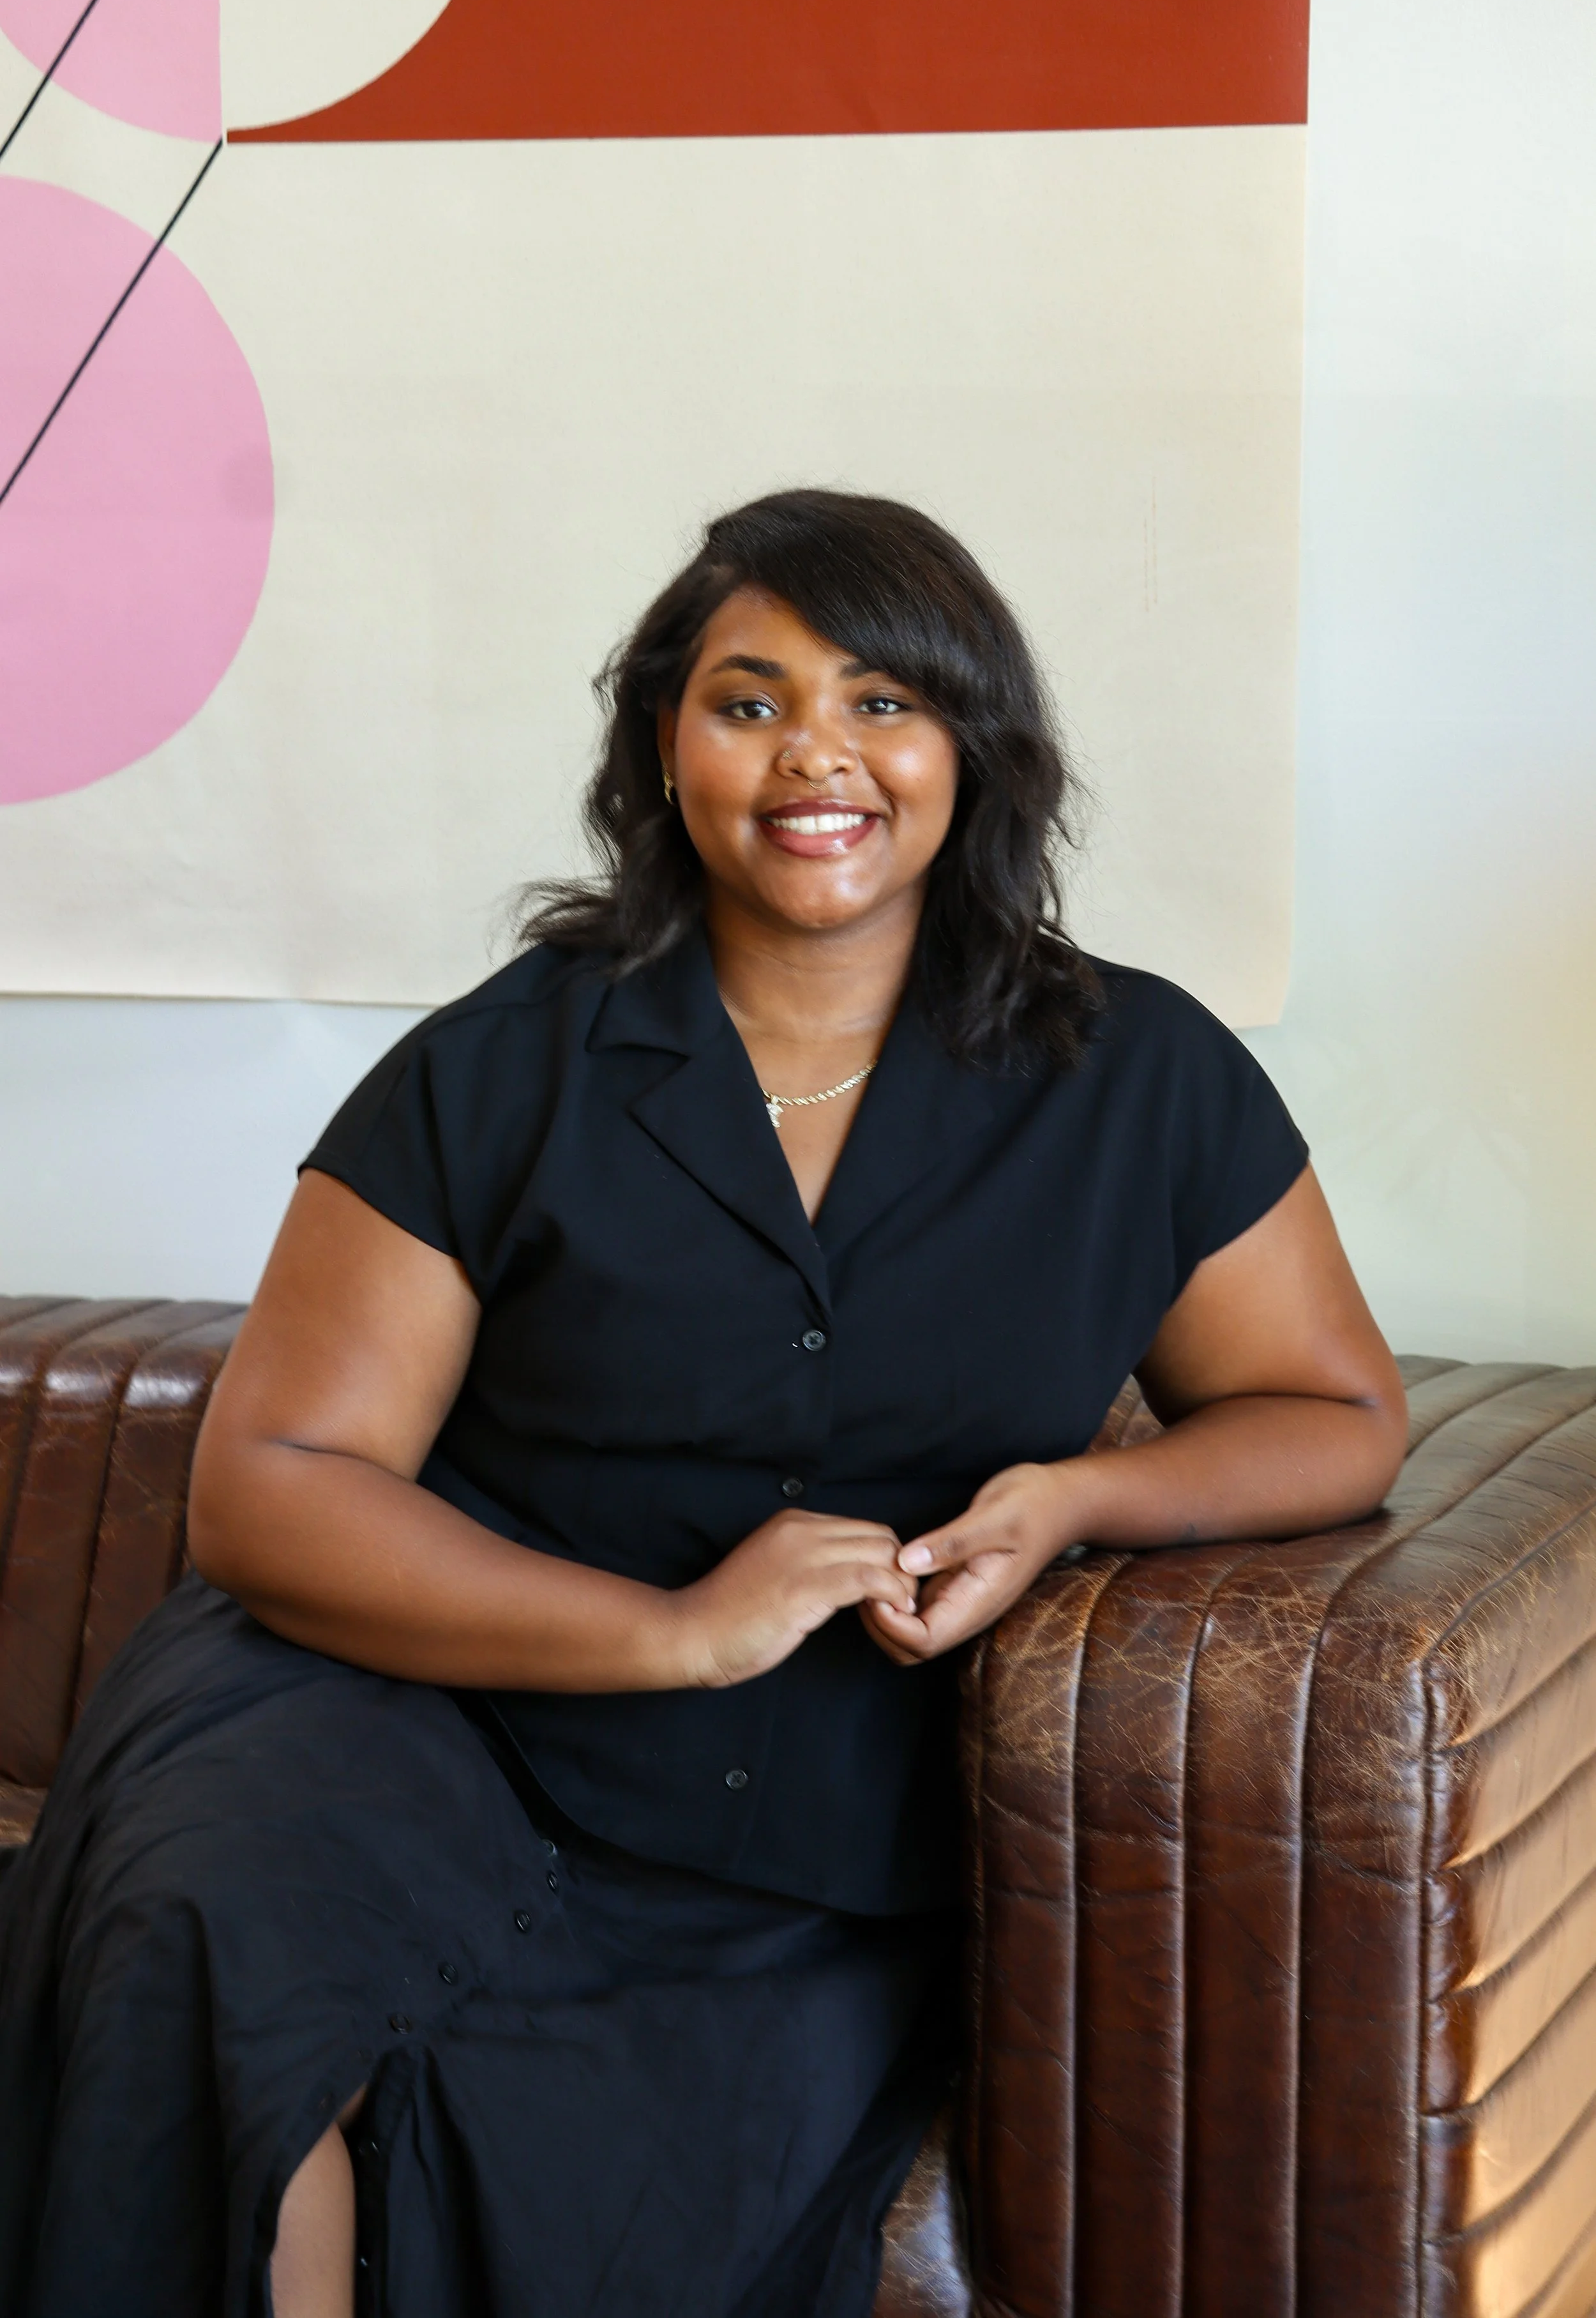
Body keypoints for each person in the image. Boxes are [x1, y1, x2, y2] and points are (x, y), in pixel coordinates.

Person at [0, 490, 1406, 2318]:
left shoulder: (1139, 1075)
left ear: (973, 749)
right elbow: (273, 1481)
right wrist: (670, 1632)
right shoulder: (502, 1063)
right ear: (665, 747)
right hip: (397, 1710)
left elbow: (1331, 1408)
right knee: (228, 1979)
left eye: (883, 701)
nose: (817, 752)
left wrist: (1073, 1498)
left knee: (600, 2172)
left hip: (806, 1827)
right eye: (750, 703)